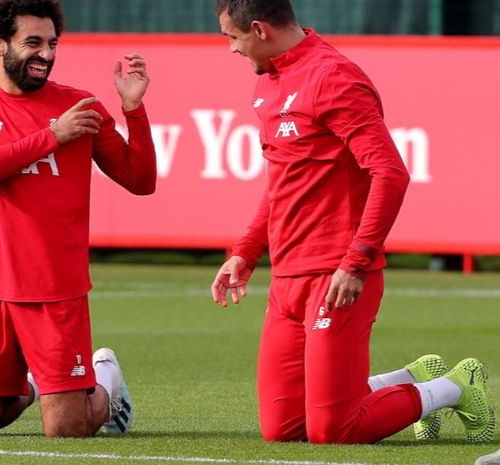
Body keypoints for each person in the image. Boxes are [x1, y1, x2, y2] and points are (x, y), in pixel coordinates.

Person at [210, 0, 494, 444]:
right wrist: (244, 252)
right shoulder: (266, 84)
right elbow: (281, 180)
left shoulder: (332, 77)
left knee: (332, 430)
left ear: (260, 30)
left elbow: (390, 173)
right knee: (283, 430)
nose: (231, 50)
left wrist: (356, 260)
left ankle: (454, 387)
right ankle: (413, 376)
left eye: (233, 37)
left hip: (336, 274)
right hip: (287, 278)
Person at [0, 0, 156, 437]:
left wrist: (133, 108)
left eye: (52, 43)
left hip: (56, 287)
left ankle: (105, 378)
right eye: (33, 43)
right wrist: (53, 136)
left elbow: (140, 180)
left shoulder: (80, 106)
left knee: (67, 430)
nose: (47, 54)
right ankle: (44, 385)